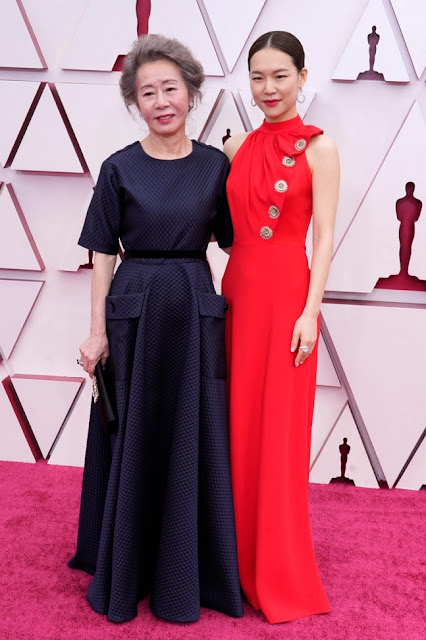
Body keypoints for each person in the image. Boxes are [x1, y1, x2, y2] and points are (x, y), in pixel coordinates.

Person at [68, 33, 243, 624]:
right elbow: (101, 253)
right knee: (133, 430)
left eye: (171, 88)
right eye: (147, 92)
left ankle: (186, 566)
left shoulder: (215, 165)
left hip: (193, 307)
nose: (161, 101)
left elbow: (234, 242)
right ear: (134, 102)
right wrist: (97, 332)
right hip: (135, 310)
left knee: (194, 431)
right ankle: (125, 560)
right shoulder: (119, 167)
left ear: (191, 92)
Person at [222, 31, 339, 623]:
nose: (269, 88)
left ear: (302, 76)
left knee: (279, 435)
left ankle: (277, 569)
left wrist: (311, 311)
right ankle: (230, 565)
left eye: (280, 76)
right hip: (237, 297)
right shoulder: (236, 145)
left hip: (289, 301)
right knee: (234, 429)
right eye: (258, 77)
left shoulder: (320, 148)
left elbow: (325, 238)